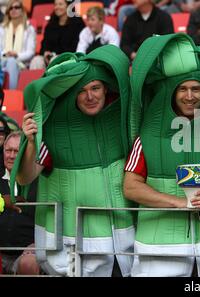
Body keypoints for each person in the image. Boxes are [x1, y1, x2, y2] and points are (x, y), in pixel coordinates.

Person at [124, 33, 200, 277]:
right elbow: (130, 187)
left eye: (196, 89)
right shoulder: (146, 137)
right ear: (172, 92)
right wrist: (179, 203)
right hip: (161, 247)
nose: (189, 96)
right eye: (182, 89)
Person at [12, 45, 135, 277]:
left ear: (105, 89)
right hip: (76, 252)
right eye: (82, 90)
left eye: (96, 88)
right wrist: (30, 142)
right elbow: (25, 176)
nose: (90, 96)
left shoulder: (123, 122)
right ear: (71, 95)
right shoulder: (52, 131)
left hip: (124, 246)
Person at [0, 131, 40, 275]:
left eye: (16, 151)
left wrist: (38, 244)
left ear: (25, 153)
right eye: (8, 150)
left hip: (28, 251)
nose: (11, 156)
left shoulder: (39, 182)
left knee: (29, 264)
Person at [29, 0, 85, 70]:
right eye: (55, 5)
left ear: (68, 6)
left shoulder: (77, 23)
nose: (57, 7)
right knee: (36, 60)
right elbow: (44, 43)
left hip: (69, 57)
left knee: (55, 60)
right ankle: (38, 81)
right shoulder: (51, 24)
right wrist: (45, 52)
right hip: (50, 57)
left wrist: (58, 55)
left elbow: (77, 46)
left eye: (60, 4)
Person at [0, 0, 36, 89]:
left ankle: (12, 95)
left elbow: (30, 52)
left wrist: (16, 55)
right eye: (11, 8)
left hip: (21, 63)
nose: (13, 10)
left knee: (11, 61)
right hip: (3, 60)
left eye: (16, 7)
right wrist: (6, 54)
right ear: (8, 12)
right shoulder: (2, 28)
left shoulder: (29, 29)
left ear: (22, 10)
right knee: (9, 61)